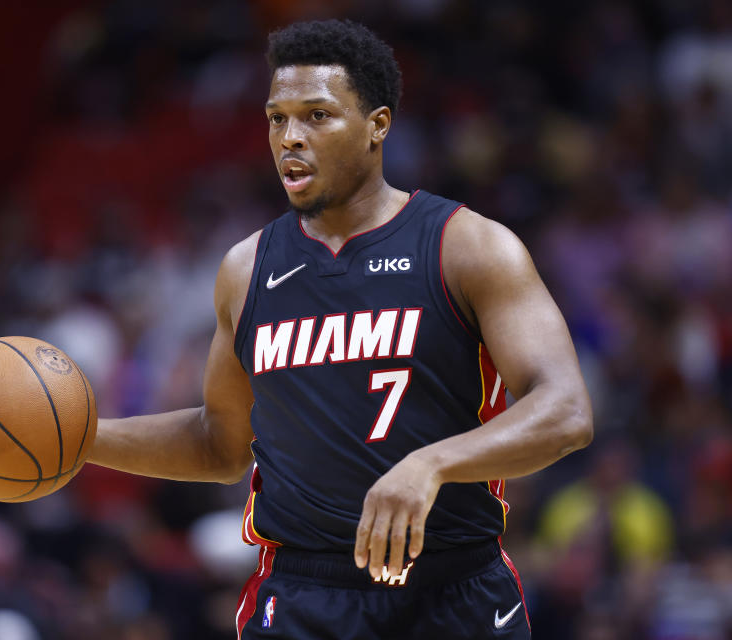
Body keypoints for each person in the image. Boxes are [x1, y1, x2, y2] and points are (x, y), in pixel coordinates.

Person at [88, 19, 593, 640]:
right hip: (306, 595)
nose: (290, 138)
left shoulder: (468, 246)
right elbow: (221, 445)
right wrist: (81, 438)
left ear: (378, 125)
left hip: (453, 591)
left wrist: (430, 465)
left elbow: (565, 410)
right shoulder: (247, 270)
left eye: (317, 116)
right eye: (277, 119)